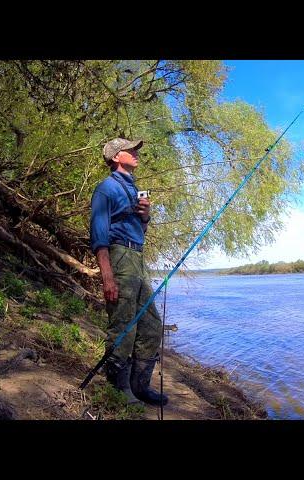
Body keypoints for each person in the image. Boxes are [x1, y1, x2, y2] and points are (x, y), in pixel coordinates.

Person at [89, 137, 168, 406]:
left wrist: (145, 217)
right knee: (122, 322)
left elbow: (140, 232)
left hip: (137, 256)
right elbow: (99, 236)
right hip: (119, 256)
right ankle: (118, 388)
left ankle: (139, 385)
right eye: (130, 150)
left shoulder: (133, 190)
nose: (135, 153)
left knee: (151, 324)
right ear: (115, 157)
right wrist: (107, 277)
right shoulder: (106, 189)